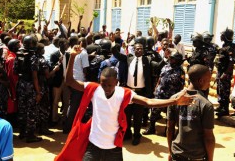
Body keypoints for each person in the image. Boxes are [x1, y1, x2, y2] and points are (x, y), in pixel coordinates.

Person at [55, 44, 193, 161]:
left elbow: (148, 101)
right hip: (93, 146)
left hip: (114, 150)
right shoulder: (94, 88)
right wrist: (72, 56)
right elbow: (70, 81)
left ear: (117, 82)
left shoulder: (124, 93)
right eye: (103, 84)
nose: (106, 88)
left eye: (110, 85)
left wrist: (174, 101)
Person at [167, 64, 215, 161]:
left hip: (177, 154)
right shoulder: (206, 105)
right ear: (201, 81)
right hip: (196, 156)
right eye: (209, 80)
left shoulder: (174, 99)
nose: (209, 83)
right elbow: (209, 138)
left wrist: (170, 152)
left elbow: (169, 128)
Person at [143, 49, 185, 135]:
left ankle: (168, 131)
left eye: (173, 58)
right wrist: (156, 88)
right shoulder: (166, 66)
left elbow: (182, 85)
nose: (171, 59)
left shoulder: (180, 71)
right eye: (170, 58)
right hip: (160, 94)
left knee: (169, 115)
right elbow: (160, 77)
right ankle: (151, 128)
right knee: (154, 112)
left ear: (177, 60)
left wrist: (178, 96)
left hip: (171, 96)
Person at [14, 35, 43, 142]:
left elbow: (15, 71)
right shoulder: (33, 57)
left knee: (22, 109)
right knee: (31, 110)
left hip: (21, 84)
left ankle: (22, 133)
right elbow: (35, 76)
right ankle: (30, 135)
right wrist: (38, 92)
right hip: (30, 85)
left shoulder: (19, 55)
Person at [63, 37, 89, 134]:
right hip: (78, 81)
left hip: (69, 80)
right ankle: (68, 127)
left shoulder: (69, 51)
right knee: (74, 105)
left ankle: (68, 125)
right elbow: (85, 69)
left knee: (71, 104)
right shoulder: (83, 53)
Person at [216, 28, 235, 117]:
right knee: (220, 90)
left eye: (222, 35)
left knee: (225, 91)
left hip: (225, 73)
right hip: (221, 71)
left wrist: (226, 73)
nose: (220, 36)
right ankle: (221, 106)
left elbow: (231, 61)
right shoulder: (225, 46)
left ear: (225, 36)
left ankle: (225, 110)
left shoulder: (230, 47)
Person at [50, 38, 70, 125]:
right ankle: (54, 119)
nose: (67, 46)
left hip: (66, 81)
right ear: (61, 45)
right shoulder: (54, 55)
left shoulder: (69, 55)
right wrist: (59, 62)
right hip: (57, 81)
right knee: (56, 101)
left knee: (66, 101)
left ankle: (64, 118)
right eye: (65, 44)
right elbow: (51, 67)